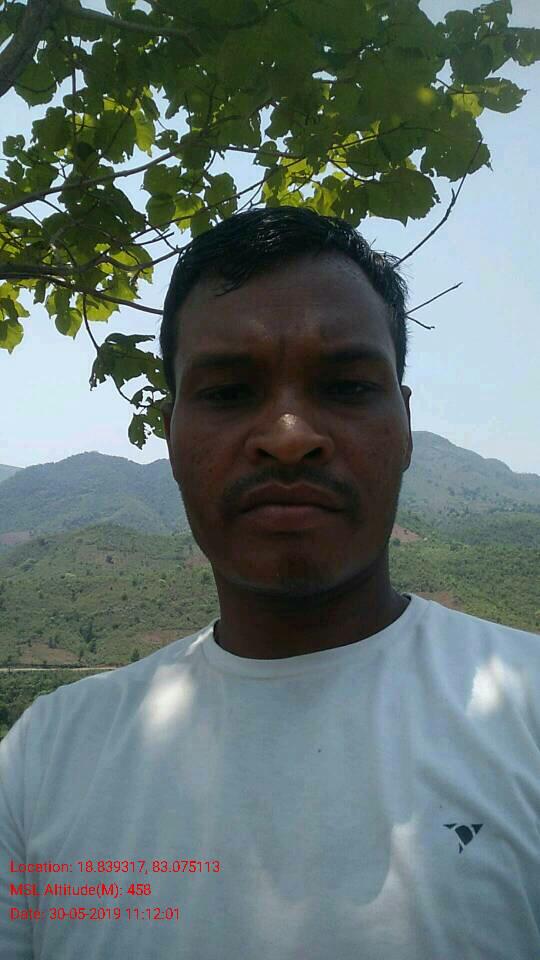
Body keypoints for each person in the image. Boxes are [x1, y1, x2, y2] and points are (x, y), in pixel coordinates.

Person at [1, 206, 539, 959]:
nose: (290, 437)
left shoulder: (527, 712)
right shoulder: (45, 759)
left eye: (346, 386)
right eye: (228, 392)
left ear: (406, 427)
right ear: (171, 433)